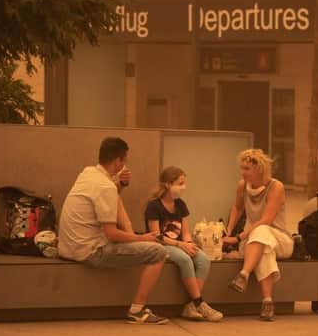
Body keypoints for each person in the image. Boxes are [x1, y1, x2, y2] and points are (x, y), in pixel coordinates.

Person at [58, 137, 169, 325]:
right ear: (118, 161)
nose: (124, 164)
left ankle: (137, 238)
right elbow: (111, 234)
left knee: (116, 198)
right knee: (158, 252)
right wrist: (141, 238)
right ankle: (137, 310)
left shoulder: (88, 173)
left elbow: (109, 198)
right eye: (124, 160)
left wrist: (120, 185)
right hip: (90, 251)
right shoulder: (105, 186)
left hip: (68, 246)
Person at [222, 149, 294, 321]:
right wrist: (228, 231)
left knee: (261, 232)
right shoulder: (242, 186)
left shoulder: (276, 187)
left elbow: (266, 220)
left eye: (247, 169)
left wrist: (239, 237)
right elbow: (237, 208)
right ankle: (267, 302)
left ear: (259, 169)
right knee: (264, 250)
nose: (243, 173)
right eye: (242, 168)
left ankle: (244, 274)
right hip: (255, 241)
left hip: (280, 239)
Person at [145, 166, 223, 322]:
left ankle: (190, 306)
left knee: (203, 259)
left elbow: (185, 231)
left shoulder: (180, 204)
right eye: (180, 183)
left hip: (180, 243)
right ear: (168, 184)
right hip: (162, 245)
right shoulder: (154, 206)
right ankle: (200, 303)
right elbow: (156, 235)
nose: (183, 187)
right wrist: (180, 245)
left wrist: (188, 243)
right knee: (185, 259)